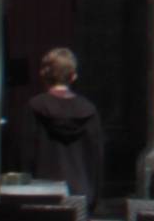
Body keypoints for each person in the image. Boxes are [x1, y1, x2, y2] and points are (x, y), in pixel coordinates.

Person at [9, 47, 106, 205]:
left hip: (40, 193)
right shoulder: (89, 111)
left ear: (43, 74)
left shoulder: (34, 108)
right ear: (73, 76)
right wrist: (94, 197)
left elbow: (24, 154)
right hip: (80, 196)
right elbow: (96, 158)